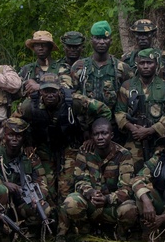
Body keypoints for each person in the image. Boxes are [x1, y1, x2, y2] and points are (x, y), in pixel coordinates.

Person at [13, 72, 112, 229]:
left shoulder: (74, 101)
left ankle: (66, 229)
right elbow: (14, 122)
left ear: (60, 90)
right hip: (44, 147)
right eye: (46, 91)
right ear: (40, 92)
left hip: (69, 146)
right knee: (48, 188)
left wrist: (91, 135)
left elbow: (104, 110)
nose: (50, 95)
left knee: (66, 187)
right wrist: (26, 141)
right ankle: (50, 224)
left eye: (53, 91)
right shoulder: (29, 105)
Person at [62, 118, 137, 242]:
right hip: (91, 203)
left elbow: (126, 188)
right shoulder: (84, 151)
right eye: (96, 134)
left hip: (111, 205)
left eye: (104, 133)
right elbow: (79, 180)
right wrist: (90, 192)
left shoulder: (124, 154)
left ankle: (119, 235)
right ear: (91, 136)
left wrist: (107, 199)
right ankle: (85, 235)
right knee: (71, 201)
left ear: (111, 135)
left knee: (130, 208)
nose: (100, 137)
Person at [0, 118, 52, 239]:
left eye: (18, 135)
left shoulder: (30, 157)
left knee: (44, 209)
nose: (14, 139)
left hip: (22, 202)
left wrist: (38, 197)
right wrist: (5, 184)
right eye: (10, 135)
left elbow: (41, 180)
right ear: (4, 135)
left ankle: (24, 230)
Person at [114, 49, 165, 168]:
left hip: (158, 139)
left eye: (149, 62)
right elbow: (119, 112)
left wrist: (149, 130)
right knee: (128, 167)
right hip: (134, 139)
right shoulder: (127, 86)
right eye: (142, 63)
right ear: (137, 64)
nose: (146, 66)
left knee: (160, 171)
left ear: (156, 64)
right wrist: (134, 129)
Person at [71, 21, 131, 109]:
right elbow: (71, 94)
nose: (102, 42)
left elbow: (128, 97)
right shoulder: (79, 66)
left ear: (111, 40)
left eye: (105, 38)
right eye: (98, 38)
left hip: (113, 120)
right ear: (91, 40)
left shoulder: (122, 68)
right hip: (85, 119)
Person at [19, 30, 62, 96]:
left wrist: (39, 86)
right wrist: (26, 84)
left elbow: (66, 88)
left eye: (44, 45)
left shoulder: (62, 68)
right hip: (32, 104)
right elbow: (16, 88)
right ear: (33, 48)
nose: (40, 48)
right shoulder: (27, 69)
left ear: (50, 47)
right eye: (37, 45)